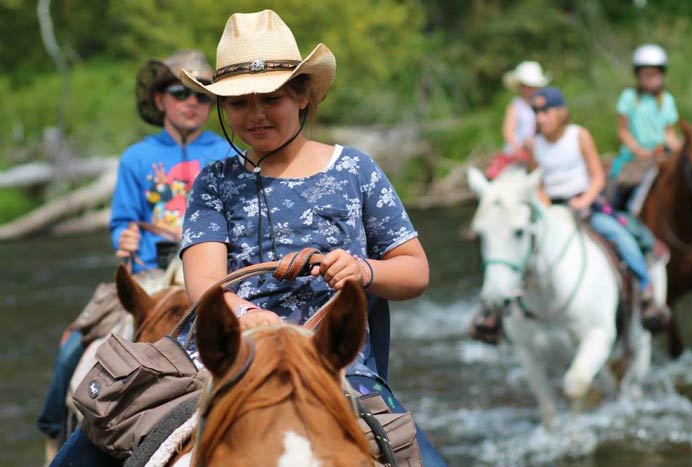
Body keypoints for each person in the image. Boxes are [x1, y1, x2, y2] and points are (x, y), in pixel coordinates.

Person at [51, 10, 445, 466]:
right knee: (85, 448)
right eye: (238, 102)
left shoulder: (356, 170)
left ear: (302, 95)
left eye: (270, 98)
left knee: (422, 458)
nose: (255, 114)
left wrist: (363, 269)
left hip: (334, 365)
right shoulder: (215, 181)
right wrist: (242, 312)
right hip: (224, 361)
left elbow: (415, 271)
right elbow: (203, 282)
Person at [40, 49, 231, 456]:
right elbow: (121, 221)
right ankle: (56, 426)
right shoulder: (136, 158)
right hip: (147, 274)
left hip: (208, 273)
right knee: (75, 342)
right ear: (161, 99)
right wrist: (123, 239)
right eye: (181, 93)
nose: (192, 103)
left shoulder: (227, 154)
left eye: (202, 96)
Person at [527, 87, 669, 330]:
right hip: (552, 210)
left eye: (546, 111)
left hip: (584, 204)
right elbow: (537, 182)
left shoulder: (578, 136)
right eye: (536, 112)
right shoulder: (534, 145)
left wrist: (583, 201)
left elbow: (597, 177)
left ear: (560, 112)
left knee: (620, 236)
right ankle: (503, 308)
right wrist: (545, 204)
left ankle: (646, 287)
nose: (541, 118)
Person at [610, 44, 682, 209]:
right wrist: (638, 150)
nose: (650, 79)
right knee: (624, 187)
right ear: (638, 75)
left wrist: (680, 150)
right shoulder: (629, 97)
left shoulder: (667, 100)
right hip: (635, 156)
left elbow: (669, 134)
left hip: (661, 154)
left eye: (654, 74)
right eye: (646, 75)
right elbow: (622, 130)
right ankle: (619, 213)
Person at [486, 60, 550, 180]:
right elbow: (508, 132)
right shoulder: (516, 106)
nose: (531, 89)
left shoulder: (543, 105)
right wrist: (517, 149)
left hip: (538, 149)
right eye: (528, 86)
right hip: (518, 152)